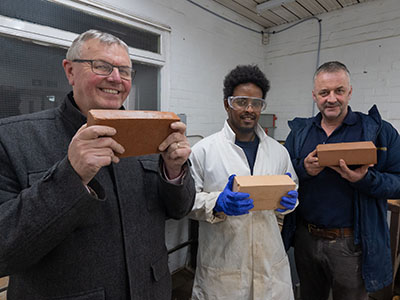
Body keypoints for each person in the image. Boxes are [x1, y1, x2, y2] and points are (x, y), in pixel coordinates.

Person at [0, 29, 195, 300]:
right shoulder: (13, 139)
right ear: (70, 71)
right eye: (101, 66)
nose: (116, 78)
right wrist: (71, 176)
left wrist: (175, 172)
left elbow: (180, 208)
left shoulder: (151, 134)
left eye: (125, 71)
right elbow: (4, 251)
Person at [282, 61, 400, 300]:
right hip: (305, 237)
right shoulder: (299, 133)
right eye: (324, 93)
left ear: (350, 92)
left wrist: (365, 179)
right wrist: (303, 169)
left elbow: (398, 181)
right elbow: (284, 175)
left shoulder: (378, 131)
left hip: (352, 243)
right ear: (314, 96)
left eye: (339, 91)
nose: (332, 99)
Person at [189, 64, 299, 300]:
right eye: (241, 101)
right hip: (223, 270)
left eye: (256, 103)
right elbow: (186, 202)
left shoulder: (278, 153)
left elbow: (292, 192)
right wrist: (217, 202)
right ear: (227, 103)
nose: (249, 109)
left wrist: (289, 203)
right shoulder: (203, 151)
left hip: (270, 267)